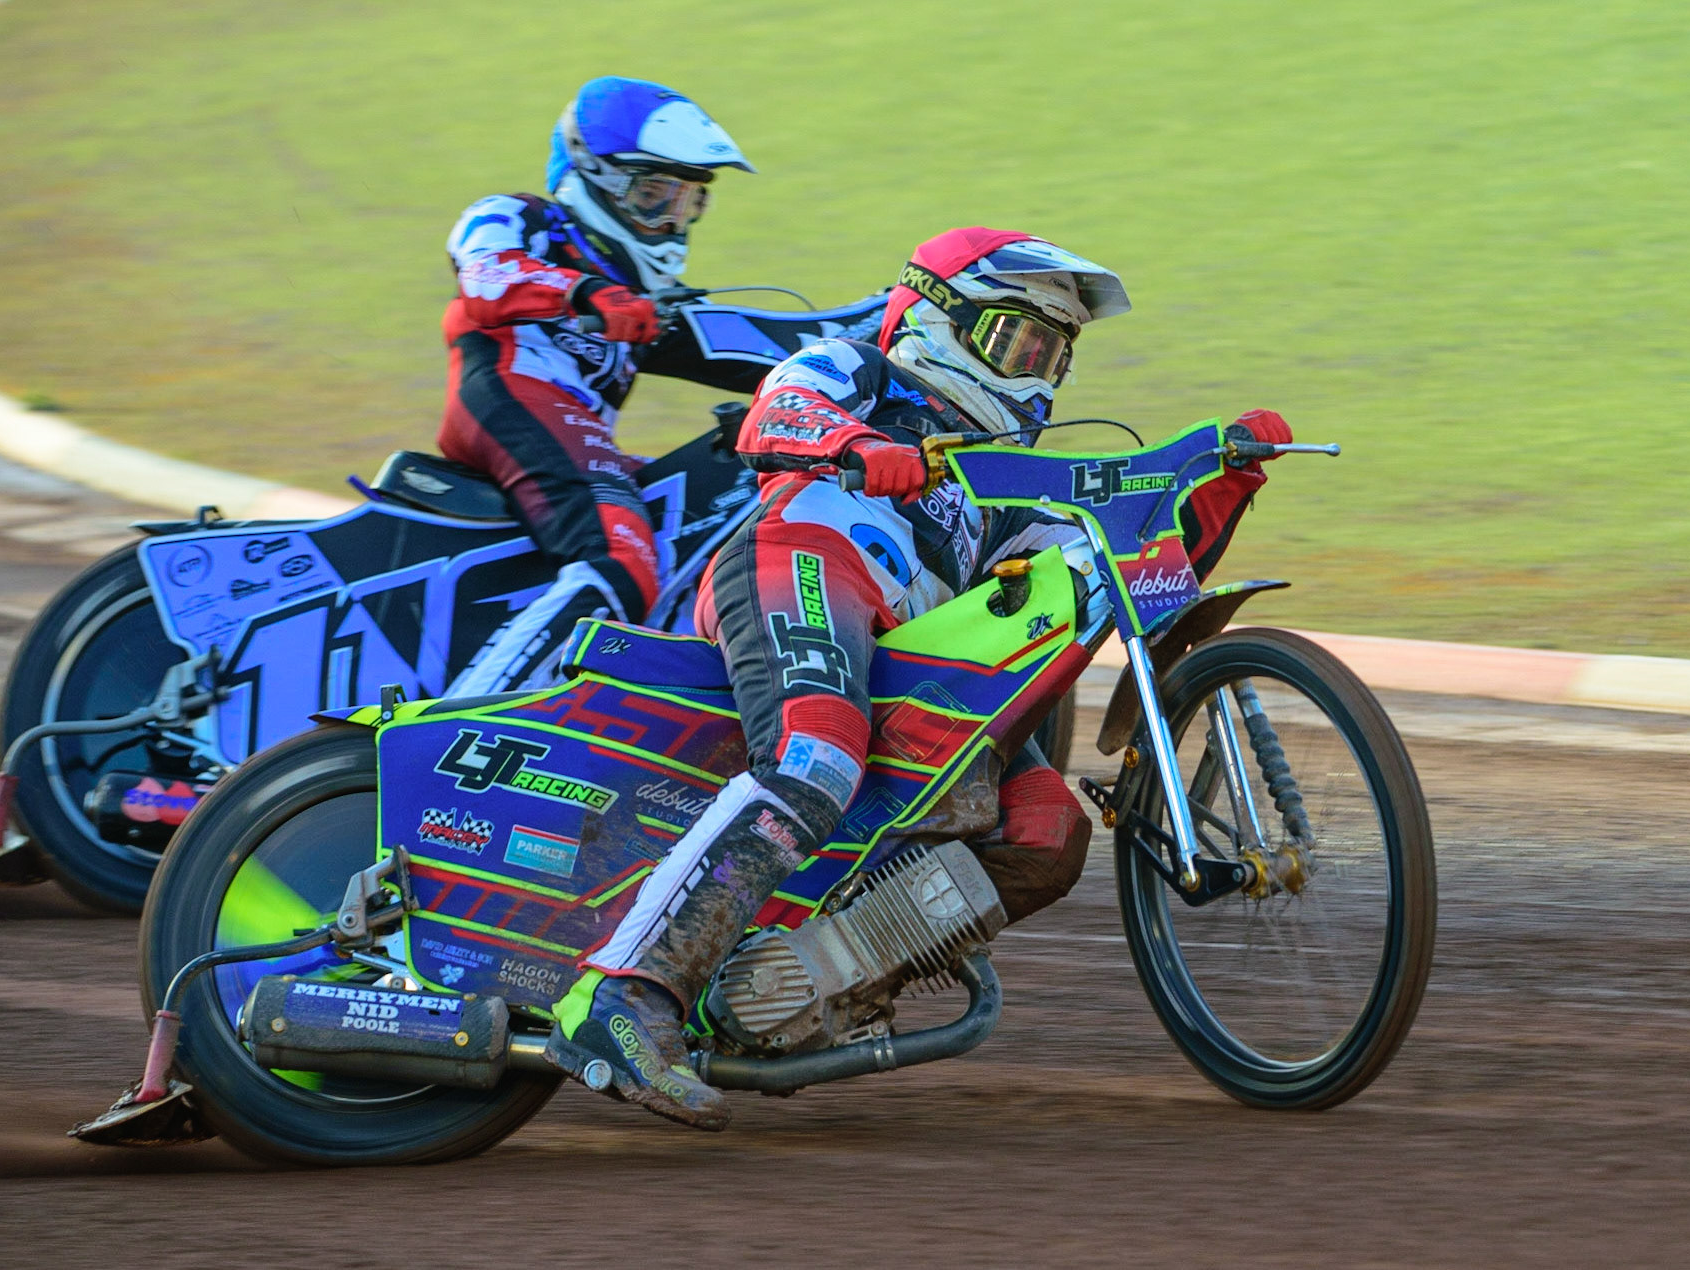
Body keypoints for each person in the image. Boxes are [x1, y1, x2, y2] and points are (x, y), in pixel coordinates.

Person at [545, 227, 1296, 1129]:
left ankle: (798, 984)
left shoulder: (1012, 486)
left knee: (1046, 830)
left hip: (914, 656)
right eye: (1018, 343)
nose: (1037, 376)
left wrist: (1218, 479)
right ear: (936, 319)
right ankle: (620, 999)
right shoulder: (857, 368)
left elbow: (1127, 579)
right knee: (816, 756)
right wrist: (858, 445)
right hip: (801, 558)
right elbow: (774, 413)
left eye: (1055, 355)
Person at [438, 76, 767, 697]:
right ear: (593, 177)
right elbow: (481, 274)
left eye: (688, 201)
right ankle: (464, 716)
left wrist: (893, 317)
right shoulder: (523, 217)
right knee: (624, 556)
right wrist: (582, 292)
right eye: (652, 196)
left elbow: (777, 339)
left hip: (575, 432)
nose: (672, 221)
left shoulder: (645, 305)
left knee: (695, 513)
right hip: (509, 394)